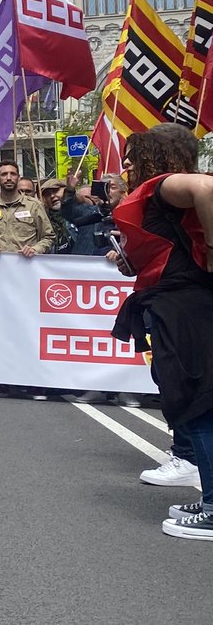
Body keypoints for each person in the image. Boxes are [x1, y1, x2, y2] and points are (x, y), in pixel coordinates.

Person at [104, 123, 213, 540]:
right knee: (195, 402)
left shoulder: (165, 183)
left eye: (136, 152)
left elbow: (206, 189)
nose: (126, 162)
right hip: (178, 302)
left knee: (197, 403)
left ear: (158, 154)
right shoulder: (162, 192)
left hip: (183, 307)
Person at [0, 161, 53, 400]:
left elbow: (49, 237)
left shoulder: (34, 205)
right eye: (4, 174)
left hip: (26, 280)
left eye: (13, 174)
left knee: (28, 329)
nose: (8, 177)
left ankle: (33, 382)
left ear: (18, 178)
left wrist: (37, 249)